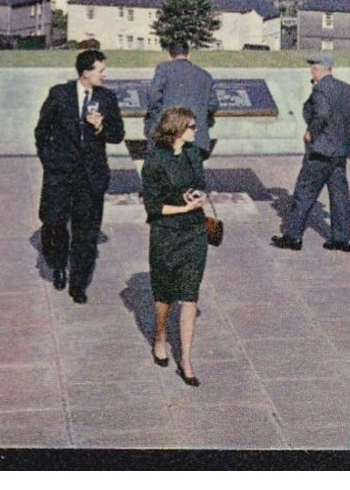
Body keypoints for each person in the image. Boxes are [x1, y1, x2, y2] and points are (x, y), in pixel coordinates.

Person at [35, 49, 125, 303]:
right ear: (86, 72)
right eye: (100, 70)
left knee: (86, 232)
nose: (105, 75)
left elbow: (117, 134)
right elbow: (41, 131)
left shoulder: (107, 98)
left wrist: (101, 127)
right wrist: (49, 161)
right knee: (54, 222)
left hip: (90, 176)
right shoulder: (59, 95)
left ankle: (78, 283)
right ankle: (58, 265)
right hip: (61, 174)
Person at [141, 106, 210, 387]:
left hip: (195, 232)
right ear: (178, 129)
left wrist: (197, 197)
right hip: (166, 234)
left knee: (190, 295)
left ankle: (187, 359)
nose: (196, 130)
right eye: (192, 126)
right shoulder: (155, 161)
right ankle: (160, 337)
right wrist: (183, 207)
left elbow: (200, 184)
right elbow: (153, 207)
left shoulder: (194, 155)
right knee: (165, 295)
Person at [271, 52, 350, 252]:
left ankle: (293, 237)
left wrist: (311, 132)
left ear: (318, 69)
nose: (311, 71)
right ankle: (342, 239)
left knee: (304, 192)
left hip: (321, 151)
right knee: (339, 195)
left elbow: (321, 113)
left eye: (313, 68)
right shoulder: (346, 89)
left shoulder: (320, 90)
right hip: (340, 151)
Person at [145, 41, 220, 160]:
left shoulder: (163, 69)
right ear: (188, 55)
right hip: (198, 138)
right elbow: (213, 105)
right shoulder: (205, 75)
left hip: (168, 137)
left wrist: (159, 117)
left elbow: (153, 97)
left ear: (169, 56)